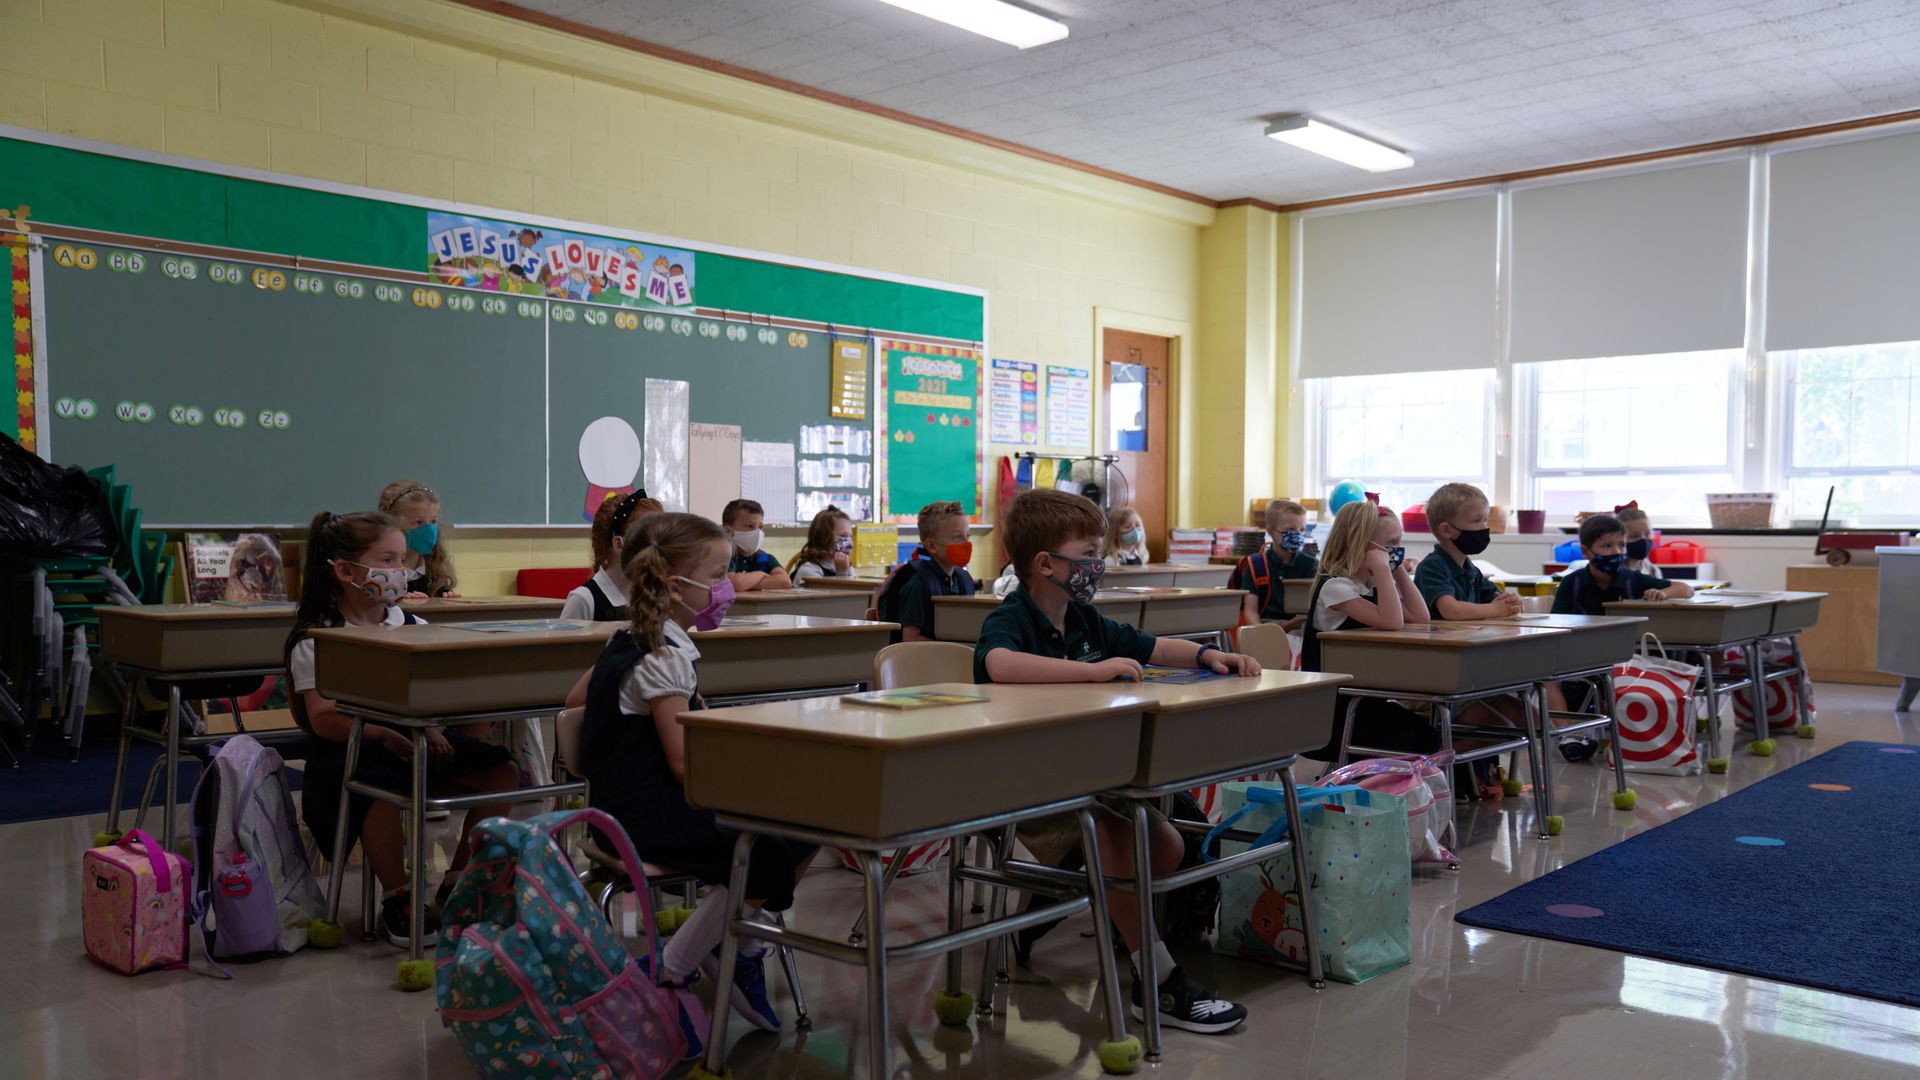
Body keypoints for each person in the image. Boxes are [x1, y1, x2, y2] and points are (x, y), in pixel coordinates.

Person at [975, 488, 1260, 1035]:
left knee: (1167, 844)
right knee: (1125, 838)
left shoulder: (1083, 618)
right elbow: (1000, 664)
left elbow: (1151, 645)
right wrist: (1093, 671)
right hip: (1022, 781)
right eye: (1087, 553)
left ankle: (1061, 889)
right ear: (1045, 564)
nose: (1096, 565)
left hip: (1086, 774)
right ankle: (1156, 980)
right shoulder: (1011, 619)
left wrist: (1208, 654)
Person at [564, 512, 815, 1050]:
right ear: (676, 585)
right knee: (768, 849)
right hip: (644, 816)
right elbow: (682, 764)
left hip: (619, 804)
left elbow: (573, 707)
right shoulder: (663, 656)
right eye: (719, 573)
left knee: (801, 826)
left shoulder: (626, 638)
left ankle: (734, 949)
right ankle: (676, 964)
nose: (727, 586)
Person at [283, 510, 517, 947]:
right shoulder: (318, 638)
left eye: (401, 561)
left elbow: (438, 693)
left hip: (419, 741)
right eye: (388, 561)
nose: (401, 572)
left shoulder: (413, 627)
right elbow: (324, 718)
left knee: (503, 772)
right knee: (378, 785)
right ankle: (399, 896)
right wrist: (383, 733)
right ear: (344, 571)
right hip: (351, 752)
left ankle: (459, 884)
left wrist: (432, 725)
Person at [1296, 499, 1440, 766]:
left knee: (1429, 736)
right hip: (1332, 710)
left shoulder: (1372, 582)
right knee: (1399, 741)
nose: (1396, 551)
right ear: (1360, 545)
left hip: (1365, 701)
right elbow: (1392, 621)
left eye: (1399, 544)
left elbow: (1420, 618)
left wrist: (1398, 572)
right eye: (1390, 545)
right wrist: (1385, 569)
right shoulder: (1336, 588)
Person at [874, 500, 975, 643]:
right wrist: (956, 649)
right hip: (922, 661)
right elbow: (909, 638)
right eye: (957, 537)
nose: (966, 543)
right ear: (932, 546)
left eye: (968, 535)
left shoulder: (964, 580)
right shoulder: (918, 584)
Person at [1552, 513, 1694, 614]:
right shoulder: (1572, 582)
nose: (1617, 551)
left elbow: (1686, 589)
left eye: (1621, 545)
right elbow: (1557, 623)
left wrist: (1662, 593)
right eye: (1607, 546)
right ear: (1586, 552)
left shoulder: (1634, 579)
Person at [561, 491, 661, 622]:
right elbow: (566, 641)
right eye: (648, 538)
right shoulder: (584, 599)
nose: (660, 548)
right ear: (619, 544)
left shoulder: (654, 596)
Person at [1229, 499, 1318, 630]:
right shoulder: (1256, 565)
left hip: (1301, 629)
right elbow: (1250, 611)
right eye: (1290, 529)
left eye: (1302, 529)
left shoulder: (1311, 565)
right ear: (1270, 531)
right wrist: (1262, 634)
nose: (1297, 534)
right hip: (1265, 626)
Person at [377, 481, 458, 600]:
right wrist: (402, 601)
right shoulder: (380, 566)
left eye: (433, 522)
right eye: (418, 522)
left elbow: (437, 596)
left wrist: (446, 596)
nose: (429, 529)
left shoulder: (433, 563)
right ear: (392, 523)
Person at [721, 499, 791, 592]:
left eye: (760, 527)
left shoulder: (764, 558)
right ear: (727, 531)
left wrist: (747, 584)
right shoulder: (722, 556)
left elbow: (784, 581)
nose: (757, 532)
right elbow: (735, 583)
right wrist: (760, 574)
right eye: (750, 526)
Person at [787, 505, 854, 582]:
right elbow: (836, 593)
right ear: (823, 537)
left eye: (850, 536)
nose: (848, 541)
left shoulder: (847, 567)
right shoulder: (809, 570)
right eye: (843, 535)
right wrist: (842, 574)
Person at [1615, 501, 1656, 573]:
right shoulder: (1615, 571)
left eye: (1647, 534)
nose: (1643, 540)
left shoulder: (1652, 569)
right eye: (1634, 536)